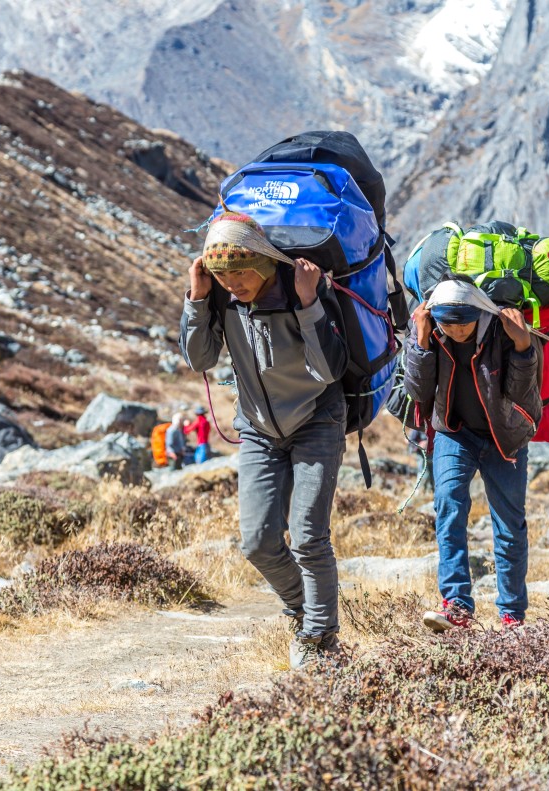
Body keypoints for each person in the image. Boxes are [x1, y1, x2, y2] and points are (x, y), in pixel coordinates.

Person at [179, 212, 348, 668]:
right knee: (256, 541)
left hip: (317, 419)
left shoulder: (302, 289)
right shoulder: (219, 298)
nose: (232, 283)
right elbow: (200, 358)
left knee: (309, 537)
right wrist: (197, 299)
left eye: (240, 272)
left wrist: (310, 302)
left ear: (263, 262)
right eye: (222, 274)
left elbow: (331, 370)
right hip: (256, 428)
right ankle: (304, 609)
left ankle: (320, 639)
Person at [403, 279, 542, 631]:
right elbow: (417, 391)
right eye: (446, 324)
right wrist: (421, 341)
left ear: (478, 313)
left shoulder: (504, 330)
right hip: (455, 432)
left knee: (509, 525)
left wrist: (524, 345)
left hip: (504, 437)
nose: (455, 330)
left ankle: (512, 615)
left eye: (462, 323)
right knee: (449, 508)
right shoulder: (427, 327)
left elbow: (520, 391)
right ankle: (457, 607)